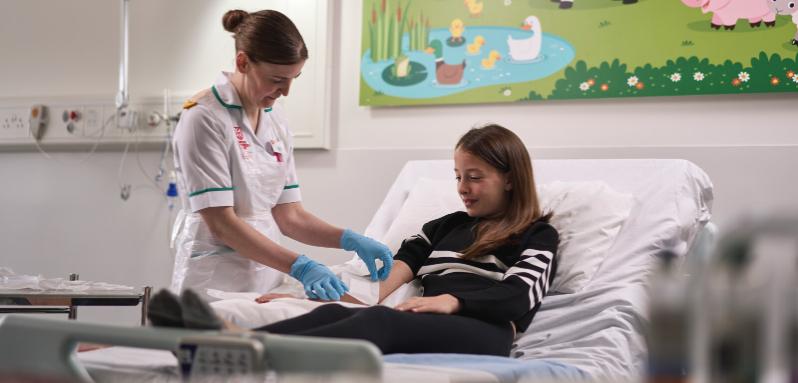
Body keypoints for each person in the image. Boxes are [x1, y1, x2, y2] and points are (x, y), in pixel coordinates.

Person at [153, 124, 558, 357]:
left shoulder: (536, 233)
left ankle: (246, 349)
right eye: (457, 176)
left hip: (489, 331)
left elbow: (519, 298)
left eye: (474, 177)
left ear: (508, 177)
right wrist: (307, 296)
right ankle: (232, 342)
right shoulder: (441, 228)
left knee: (381, 324)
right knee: (336, 316)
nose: (462, 188)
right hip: (426, 318)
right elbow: (378, 291)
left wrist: (451, 301)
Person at [170, 9, 392, 302]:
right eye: (277, 79)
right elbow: (222, 223)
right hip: (213, 277)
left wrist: (347, 239)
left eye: (294, 78)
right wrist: (301, 266)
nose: (285, 91)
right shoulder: (204, 117)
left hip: (266, 272)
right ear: (243, 62)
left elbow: (289, 215)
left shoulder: (274, 119)